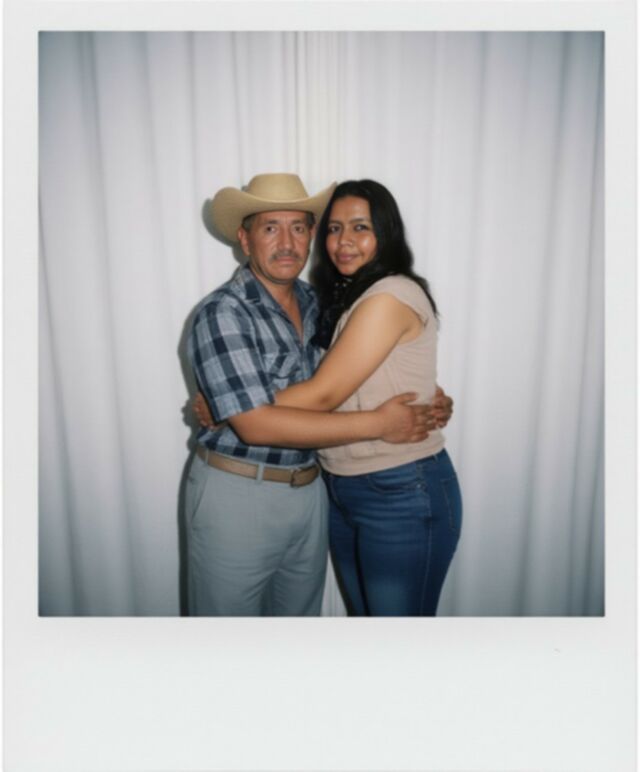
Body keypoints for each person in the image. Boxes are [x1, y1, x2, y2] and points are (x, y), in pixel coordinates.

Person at [194, 177, 460, 617]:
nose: (286, 242)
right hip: (245, 492)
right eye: (270, 228)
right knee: (229, 639)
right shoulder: (225, 311)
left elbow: (334, 388)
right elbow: (262, 422)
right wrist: (234, 408)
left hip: (327, 491)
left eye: (299, 228)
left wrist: (231, 405)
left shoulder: (320, 302)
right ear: (244, 238)